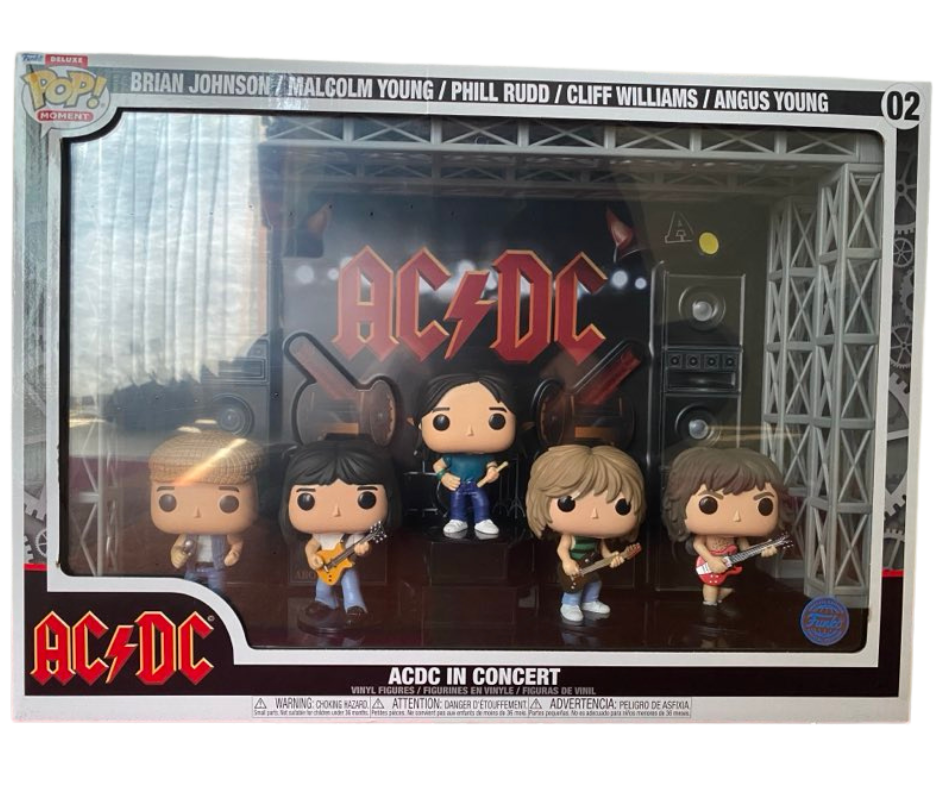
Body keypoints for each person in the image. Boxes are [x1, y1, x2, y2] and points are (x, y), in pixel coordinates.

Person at [280, 438, 399, 625]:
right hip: (326, 564)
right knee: (322, 587)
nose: (336, 511)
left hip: (347, 567)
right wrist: (312, 557)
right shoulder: (321, 534)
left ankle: (354, 606)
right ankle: (324, 601)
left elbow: (363, 548)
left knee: (350, 585)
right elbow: (312, 545)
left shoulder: (353, 536)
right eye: (307, 500)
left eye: (365, 499)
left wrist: (363, 549)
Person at [526, 444, 646, 624]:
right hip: (575, 567)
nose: (594, 514)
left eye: (621, 506)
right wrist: (567, 562)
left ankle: (590, 601)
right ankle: (569, 605)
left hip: (591, 567)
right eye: (567, 503)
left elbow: (605, 552)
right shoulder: (571, 537)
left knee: (595, 583)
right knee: (574, 588)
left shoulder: (598, 539)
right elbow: (562, 550)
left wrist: (614, 558)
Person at [662, 447, 792, 612]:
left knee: (729, 588)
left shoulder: (738, 538)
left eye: (763, 505)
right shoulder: (705, 536)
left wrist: (763, 549)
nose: (736, 517)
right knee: (710, 586)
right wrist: (711, 560)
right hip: (711, 561)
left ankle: (716, 602)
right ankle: (709, 606)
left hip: (729, 567)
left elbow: (746, 550)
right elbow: (697, 544)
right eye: (709, 504)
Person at [149, 431, 264, 595]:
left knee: (217, 594)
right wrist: (176, 555)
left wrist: (234, 553)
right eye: (169, 501)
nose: (196, 512)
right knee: (189, 593)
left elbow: (236, 542)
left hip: (215, 569)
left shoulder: (225, 532)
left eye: (228, 502)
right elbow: (177, 547)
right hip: (192, 568)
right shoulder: (188, 533)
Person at [415, 373, 516, 536]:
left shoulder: (483, 456)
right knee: (456, 504)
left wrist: (492, 472)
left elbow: (491, 465)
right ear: (420, 425)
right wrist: (444, 476)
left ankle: (482, 520)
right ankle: (457, 520)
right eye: (442, 421)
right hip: (458, 486)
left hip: (476, 485)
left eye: (496, 420)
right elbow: (438, 465)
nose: (469, 431)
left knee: (482, 502)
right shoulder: (452, 456)